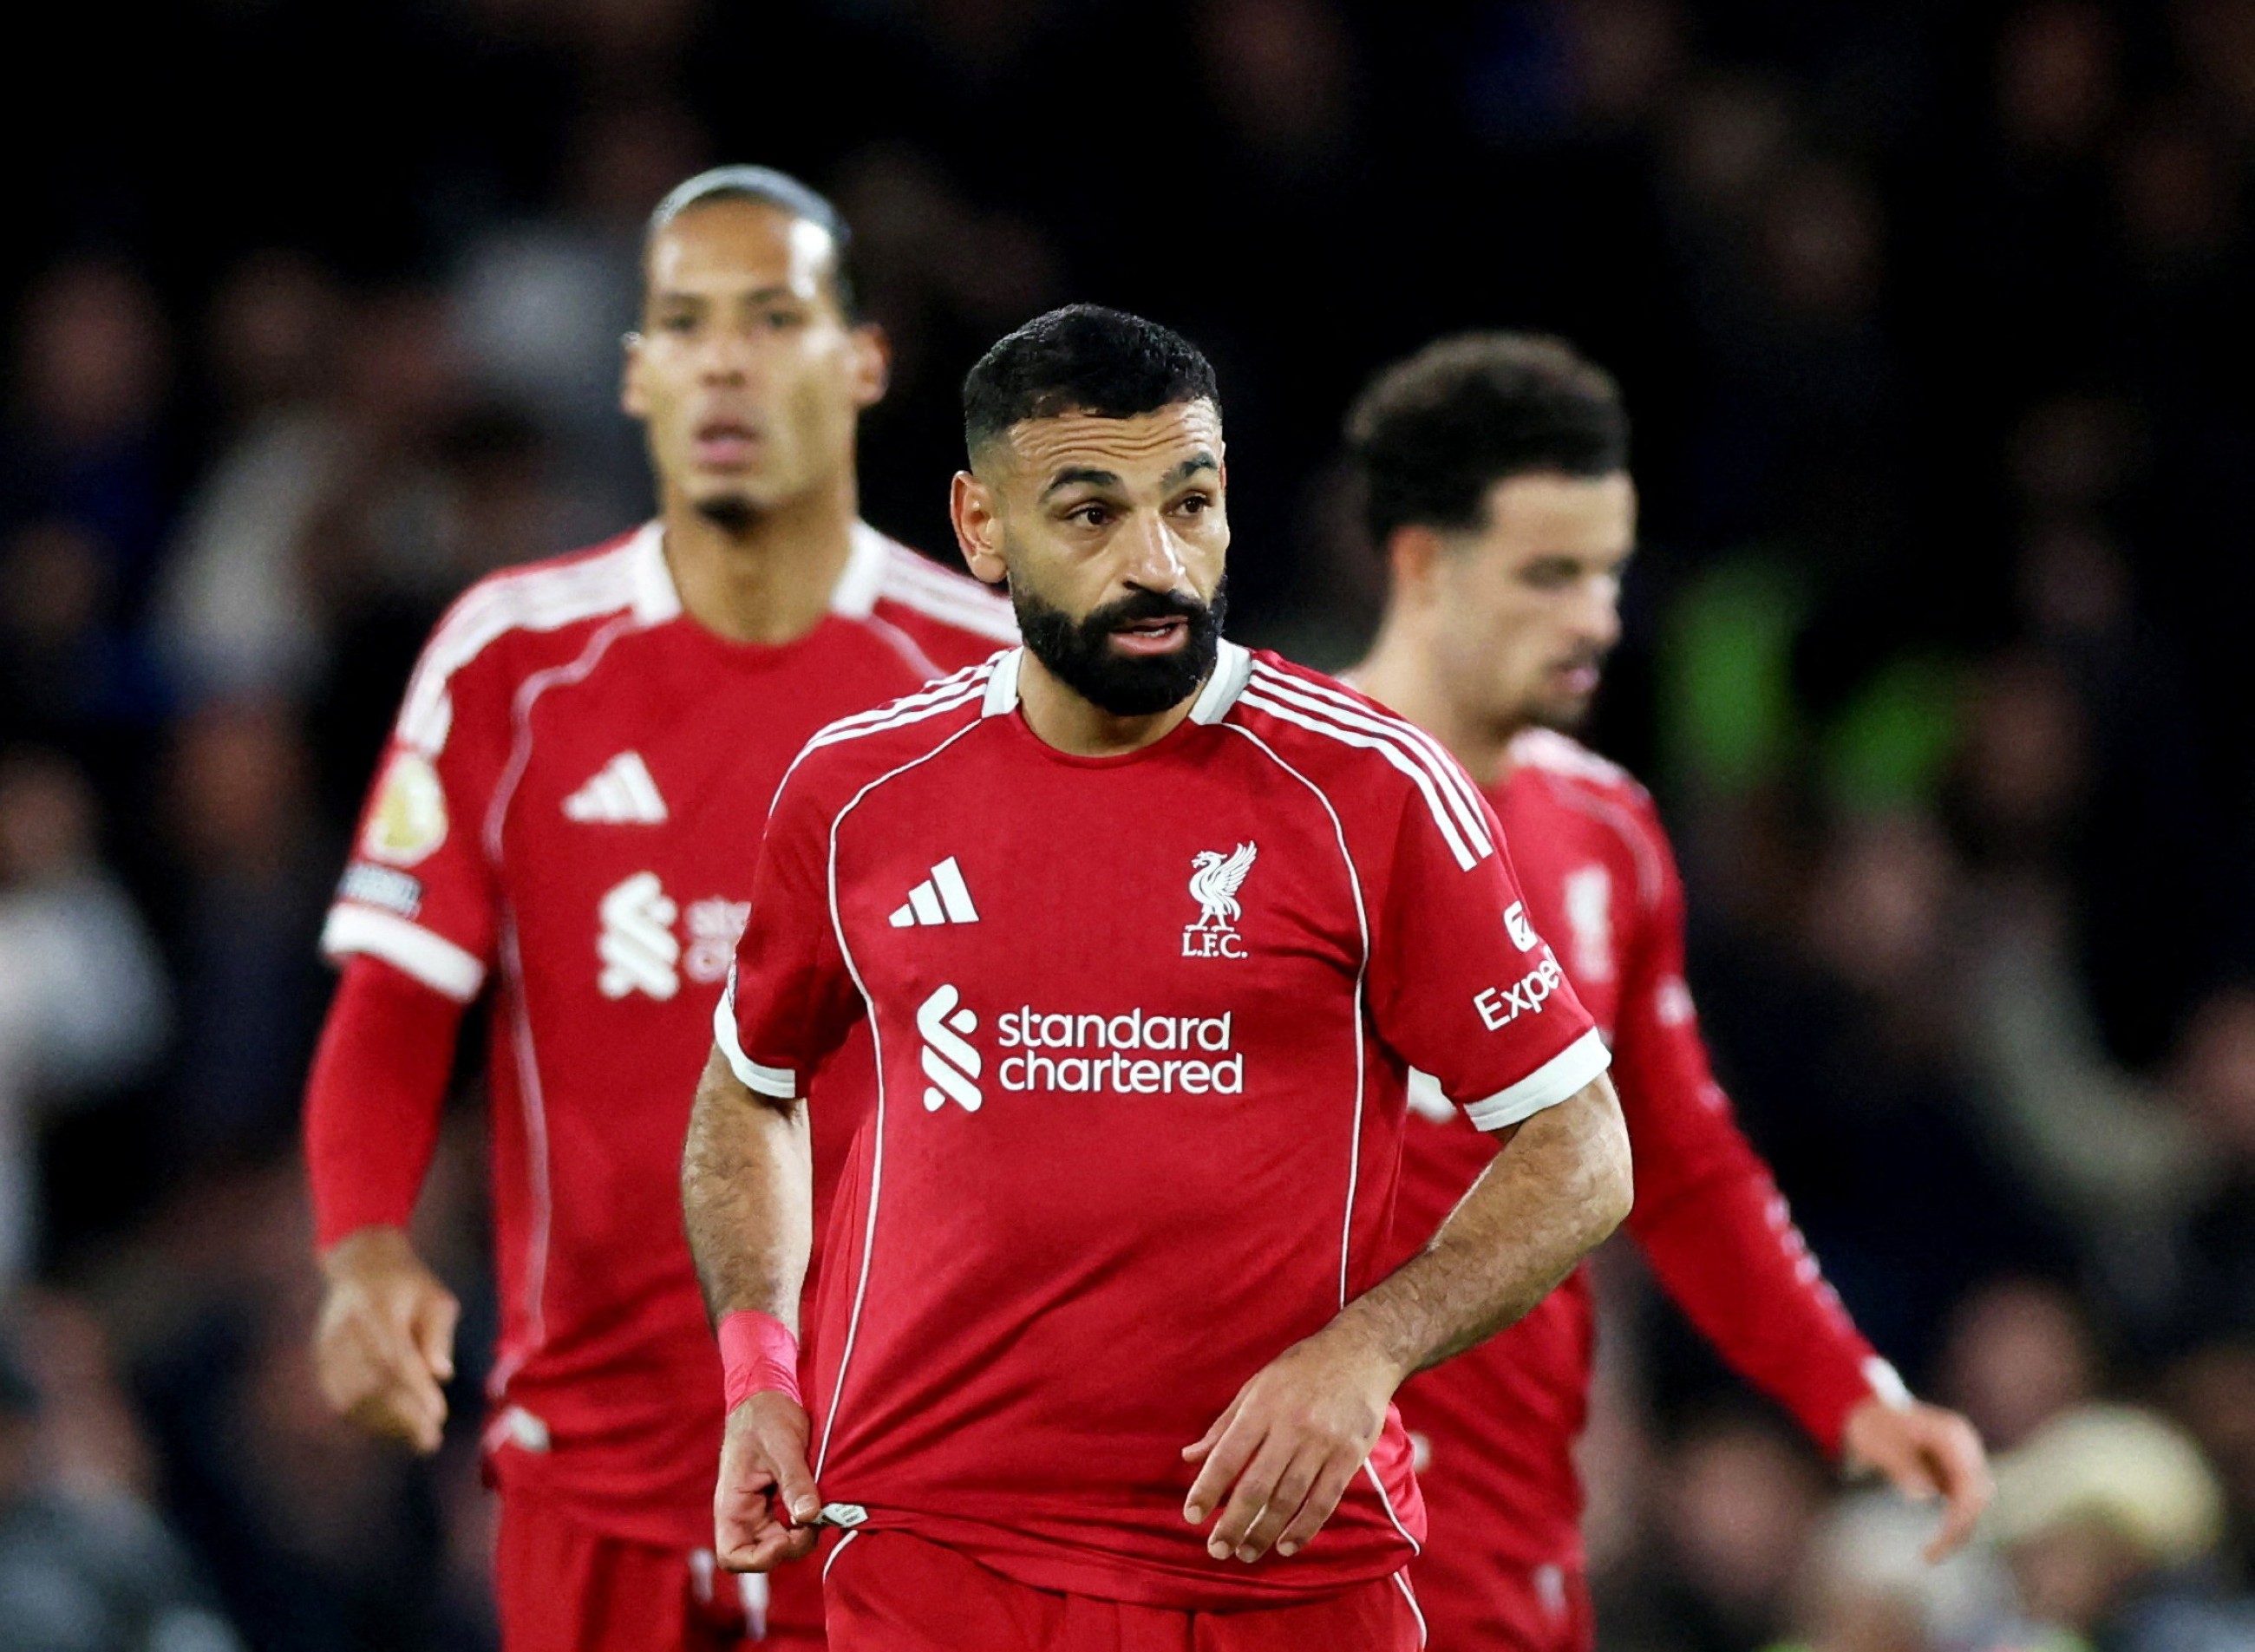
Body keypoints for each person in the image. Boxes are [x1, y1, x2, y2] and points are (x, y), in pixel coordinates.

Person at [682, 304, 1636, 1652]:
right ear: (981, 526)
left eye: (1191, 502)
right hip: (936, 1555)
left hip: (1276, 1564)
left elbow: (1582, 1143)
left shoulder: (1370, 791)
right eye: (1089, 514)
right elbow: (751, 1084)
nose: (1157, 561)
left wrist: (1365, 1352)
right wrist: (760, 1369)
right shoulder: (858, 793)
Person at [301, 166, 1016, 1652]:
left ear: (864, 358)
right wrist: (364, 1245)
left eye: (773, 315)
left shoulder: (990, 676)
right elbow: (391, 1007)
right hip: (597, 1468)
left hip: (908, 1463)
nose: (727, 360)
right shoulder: (511, 660)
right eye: (685, 322)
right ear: (635, 373)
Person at [1344, 332, 1992, 1650]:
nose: (1599, 617)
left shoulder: (1609, 830)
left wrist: (1848, 1389)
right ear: (1421, 563)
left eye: (1608, 572)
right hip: (1286, 1523)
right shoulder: (1260, 807)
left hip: (1519, 1523)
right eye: (1551, 574)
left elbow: (1683, 1163)